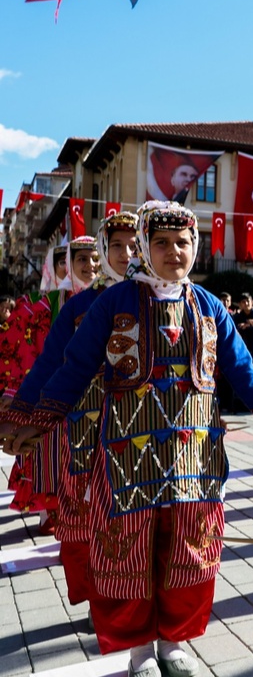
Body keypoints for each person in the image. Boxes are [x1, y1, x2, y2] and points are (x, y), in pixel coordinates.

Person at [1, 201, 253, 677]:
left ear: (196, 248)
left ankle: (174, 641)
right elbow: (75, 366)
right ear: (145, 247)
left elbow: (241, 368)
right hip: (126, 457)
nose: (173, 252)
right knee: (129, 551)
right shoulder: (113, 303)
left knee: (187, 548)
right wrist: (34, 421)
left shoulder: (207, 306)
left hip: (194, 457)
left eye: (183, 243)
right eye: (160, 243)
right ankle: (140, 648)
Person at [1, 213, 138, 607]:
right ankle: (95, 599)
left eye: (134, 246)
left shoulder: (153, 299)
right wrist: (20, 410)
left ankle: (127, 609)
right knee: (81, 521)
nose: (126, 255)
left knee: (131, 527)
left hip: (136, 435)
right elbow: (48, 362)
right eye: (115, 246)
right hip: (80, 428)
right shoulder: (78, 305)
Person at [8, 236, 99, 530]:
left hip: (101, 403)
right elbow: (31, 353)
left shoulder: (117, 297)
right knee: (53, 461)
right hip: (54, 399)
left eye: (95, 258)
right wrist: (20, 400)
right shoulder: (46, 305)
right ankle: (55, 513)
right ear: (66, 265)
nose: (90, 265)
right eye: (81, 259)